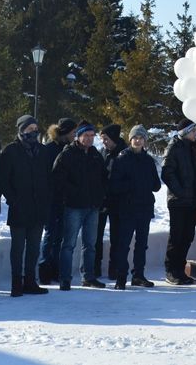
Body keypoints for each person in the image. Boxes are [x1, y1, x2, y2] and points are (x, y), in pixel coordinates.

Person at [0, 114, 53, 296]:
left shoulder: (43, 151)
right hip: (20, 208)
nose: (34, 132)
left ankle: (30, 281)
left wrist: (45, 198)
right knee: (18, 248)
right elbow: (3, 180)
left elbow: (48, 176)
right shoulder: (10, 151)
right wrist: (13, 199)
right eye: (30, 129)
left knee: (33, 248)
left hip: (38, 208)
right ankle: (16, 283)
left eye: (35, 129)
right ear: (21, 130)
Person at [108, 125, 162, 289]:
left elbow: (156, 184)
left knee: (142, 244)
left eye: (141, 138)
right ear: (130, 139)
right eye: (135, 138)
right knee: (123, 243)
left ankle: (138, 275)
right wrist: (132, 185)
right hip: (127, 208)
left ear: (145, 140)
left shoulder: (148, 160)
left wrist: (150, 184)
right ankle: (121, 277)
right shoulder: (123, 158)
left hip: (144, 207)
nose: (138, 141)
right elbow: (114, 184)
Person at [54, 121, 107, 290]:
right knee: (68, 244)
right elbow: (57, 179)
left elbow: (103, 179)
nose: (89, 139)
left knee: (90, 244)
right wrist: (71, 195)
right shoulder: (67, 154)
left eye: (92, 136)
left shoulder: (95, 155)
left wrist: (101, 198)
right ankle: (65, 278)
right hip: (74, 206)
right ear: (78, 136)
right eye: (86, 135)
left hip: (92, 206)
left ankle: (88, 276)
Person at [161, 119, 196, 285]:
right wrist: (180, 192)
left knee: (187, 236)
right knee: (177, 236)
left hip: (193, 201)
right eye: (193, 131)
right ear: (185, 132)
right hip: (178, 202)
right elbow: (167, 173)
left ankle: (179, 270)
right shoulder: (174, 147)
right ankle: (171, 270)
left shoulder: (195, 148)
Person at [38, 118, 76, 284]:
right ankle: (44, 269)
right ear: (65, 132)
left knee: (60, 236)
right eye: (73, 133)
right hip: (50, 199)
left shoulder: (69, 149)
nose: (74, 136)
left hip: (64, 199)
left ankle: (55, 269)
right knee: (50, 234)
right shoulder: (49, 149)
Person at [94, 123, 127, 280]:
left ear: (113, 138)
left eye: (106, 139)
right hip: (101, 200)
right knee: (96, 236)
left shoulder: (124, 154)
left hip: (118, 201)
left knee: (117, 237)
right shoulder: (101, 152)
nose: (103, 142)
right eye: (102, 139)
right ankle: (95, 267)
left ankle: (114, 269)